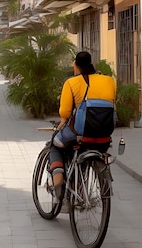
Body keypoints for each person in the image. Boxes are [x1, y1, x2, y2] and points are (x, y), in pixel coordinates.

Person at [49, 51, 116, 200]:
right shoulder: (109, 81)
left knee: (55, 145)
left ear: (76, 65)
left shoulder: (72, 83)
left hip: (81, 134)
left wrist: (61, 124)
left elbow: (65, 112)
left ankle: (58, 185)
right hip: (104, 136)